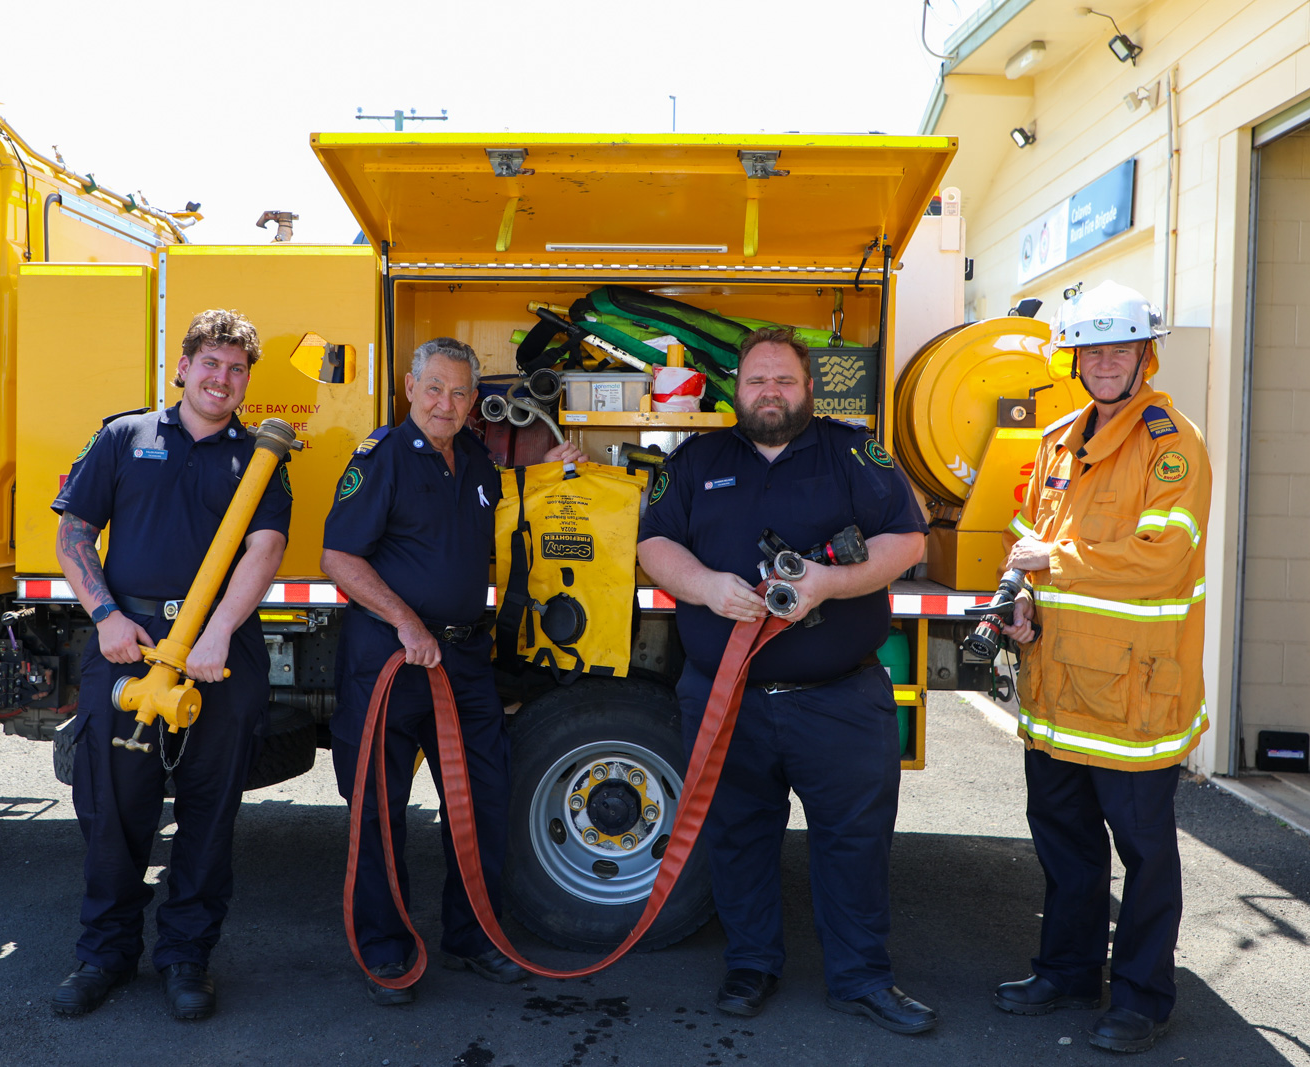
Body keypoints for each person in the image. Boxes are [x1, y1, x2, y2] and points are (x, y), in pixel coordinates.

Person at [637, 327, 934, 1033]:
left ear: (808, 387)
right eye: (756, 381)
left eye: (784, 380)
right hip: (726, 695)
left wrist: (829, 581)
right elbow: (654, 542)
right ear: (735, 390)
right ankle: (750, 964)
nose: (769, 391)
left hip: (838, 697)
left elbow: (908, 538)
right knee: (737, 836)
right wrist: (707, 586)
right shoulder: (697, 458)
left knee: (854, 841)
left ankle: (861, 977)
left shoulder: (853, 452)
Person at [321, 337, 584, 1005]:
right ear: (412, 387)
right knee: (381, 811)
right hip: (390, 658)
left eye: (460, 392)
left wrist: (552, 466)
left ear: (473, 401)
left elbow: (506, 500)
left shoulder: (470, 456)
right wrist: (407, 623)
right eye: (434, 388)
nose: (446, 402)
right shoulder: (380, 459)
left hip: (463, 663)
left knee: (484, 800)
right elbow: (340, 559)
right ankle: (386, 950)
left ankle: (474, 938)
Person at [49, 309, 291, 1021]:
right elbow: (74, 532)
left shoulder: (261, 457)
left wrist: (216, 633)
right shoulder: (125, 436)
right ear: (182, 366)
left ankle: (187, 957)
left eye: (237, 369)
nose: (222, 378)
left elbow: (266, 547)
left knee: (210, 813)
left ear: (248, 380)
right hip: (129, 640)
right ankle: (103, 954)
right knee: (112, 810)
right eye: (210, 363)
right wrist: (105, 616)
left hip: (220, 650)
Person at [996, 281, 1211, 1054]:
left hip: (1132, 695)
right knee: (1064, 841)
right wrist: (1015, 598)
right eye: (1093, 349)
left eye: (1121, 347)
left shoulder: (1170, 445)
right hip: (1056, 686)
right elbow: (1025, 537)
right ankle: (1067, 970)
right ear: (1074, 358)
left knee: (1145, 855)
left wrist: (1050, 558)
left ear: (1144, 353)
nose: (1106, 361)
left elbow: (1161, 558)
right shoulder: (1058, 438)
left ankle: (1144, 998)